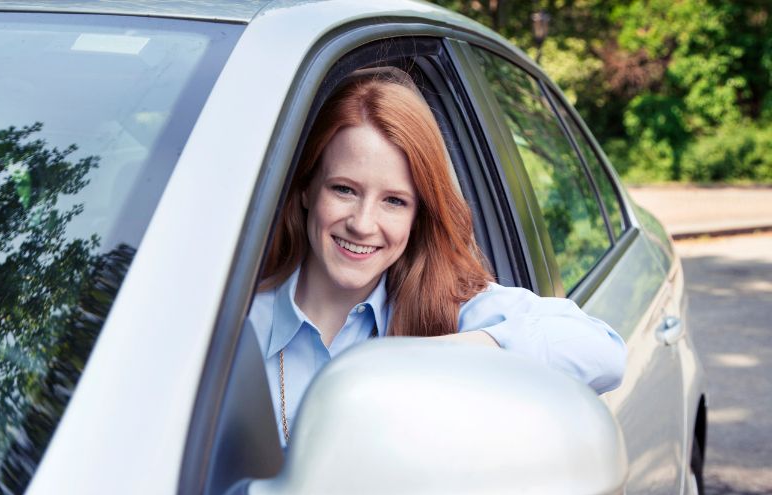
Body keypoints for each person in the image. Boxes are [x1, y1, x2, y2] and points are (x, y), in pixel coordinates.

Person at [249, 69, 626, 445]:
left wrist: (428, 356)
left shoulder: (444, 309)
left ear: (418, 217)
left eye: (394, 201)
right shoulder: (233, 318)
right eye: (344, 190)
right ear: (305, 191)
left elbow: (602, 349)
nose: (363, 224)